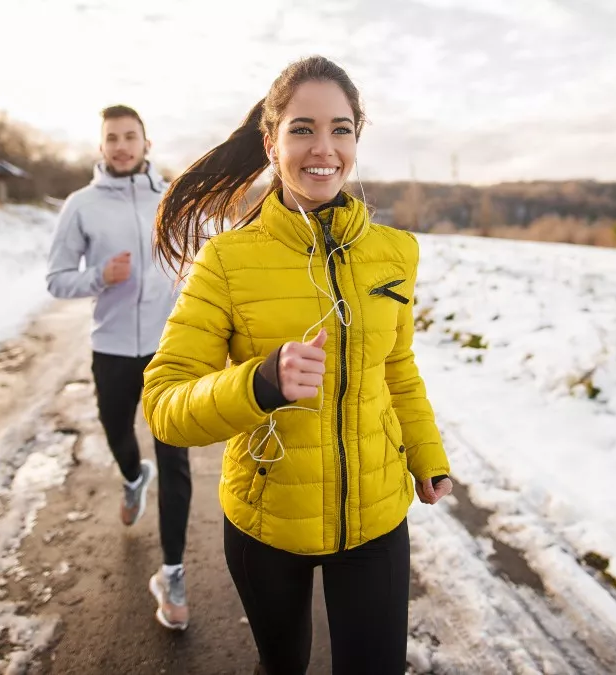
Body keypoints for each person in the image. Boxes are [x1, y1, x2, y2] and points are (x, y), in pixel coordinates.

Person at [142, 57, 454, 674]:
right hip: (268, 521)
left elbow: (398, 369)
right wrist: (259, 383)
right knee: (282, 666)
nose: (324, 148)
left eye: (341, 129)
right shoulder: (226, 262)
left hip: (376, 517)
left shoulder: (396, 253)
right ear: (271, 141)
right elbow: (164, 406)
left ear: (356, 140)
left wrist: (427, 455)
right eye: (302, 128)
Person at [46, 104, 192, 631]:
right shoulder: (80, 206)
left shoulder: (172, 200)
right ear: (102, 147)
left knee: (175, 461)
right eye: (113, 137)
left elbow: (192, 263)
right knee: (117, 434)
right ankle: (133, 478)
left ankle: (172, 574)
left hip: (168, 351)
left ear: (146, 144)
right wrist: (100, 276)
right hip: (110, 347)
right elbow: (58, 279)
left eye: (131, 136)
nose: (122, 145)